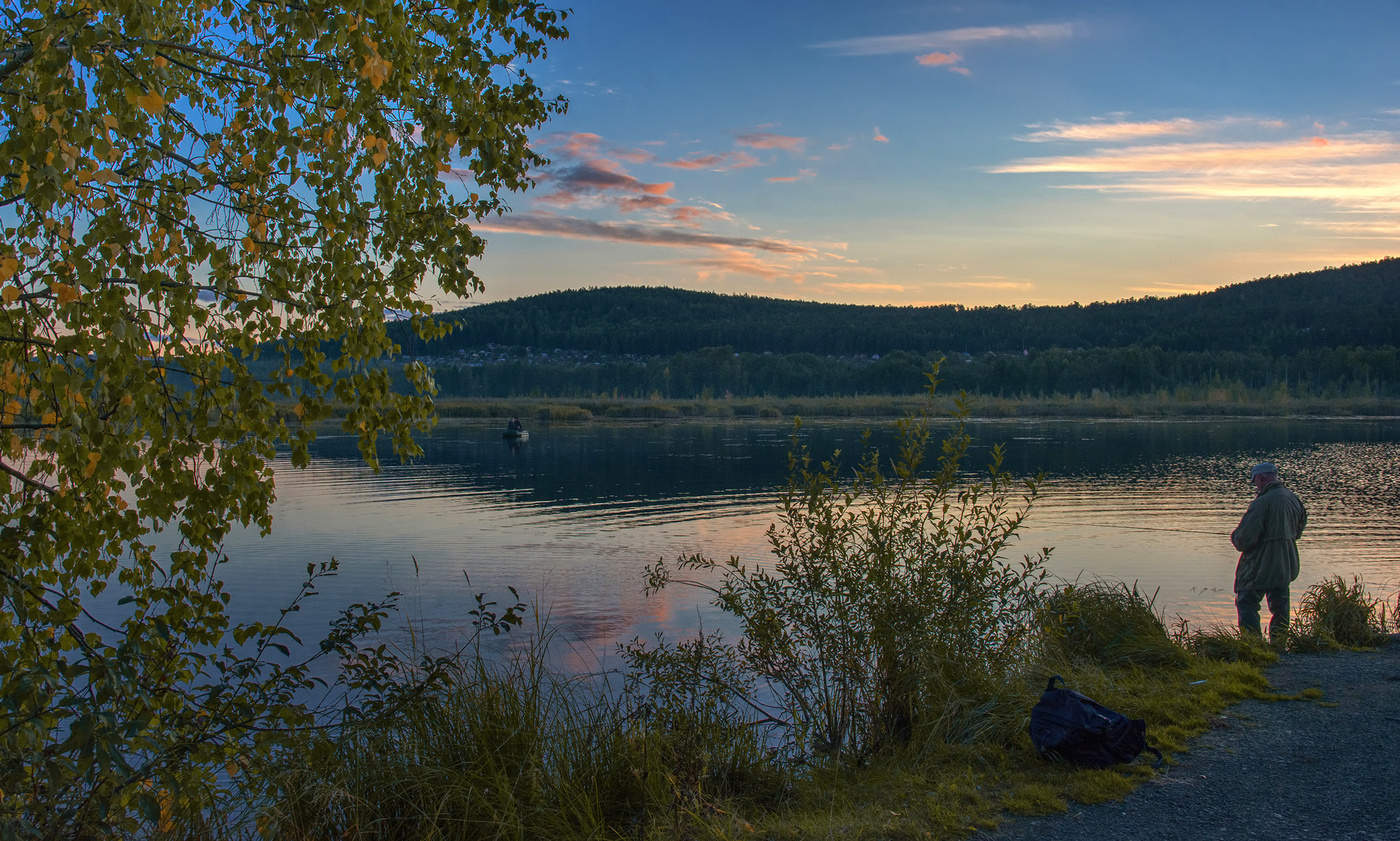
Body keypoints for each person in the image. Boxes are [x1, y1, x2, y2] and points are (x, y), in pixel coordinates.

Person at [1230, 461, 1306, 641]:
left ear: (1262, 478)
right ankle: (1279, 645)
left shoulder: (1261, 503)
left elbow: (1244, 540)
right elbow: (1299, 529)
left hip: (1260, 566)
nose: (1255, 485)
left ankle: (1252, 644)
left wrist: (1234, 537)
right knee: (1280, 605)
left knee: (1247, 601)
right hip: (1286, 563)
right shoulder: (1293, 498)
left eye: (1255, 481)